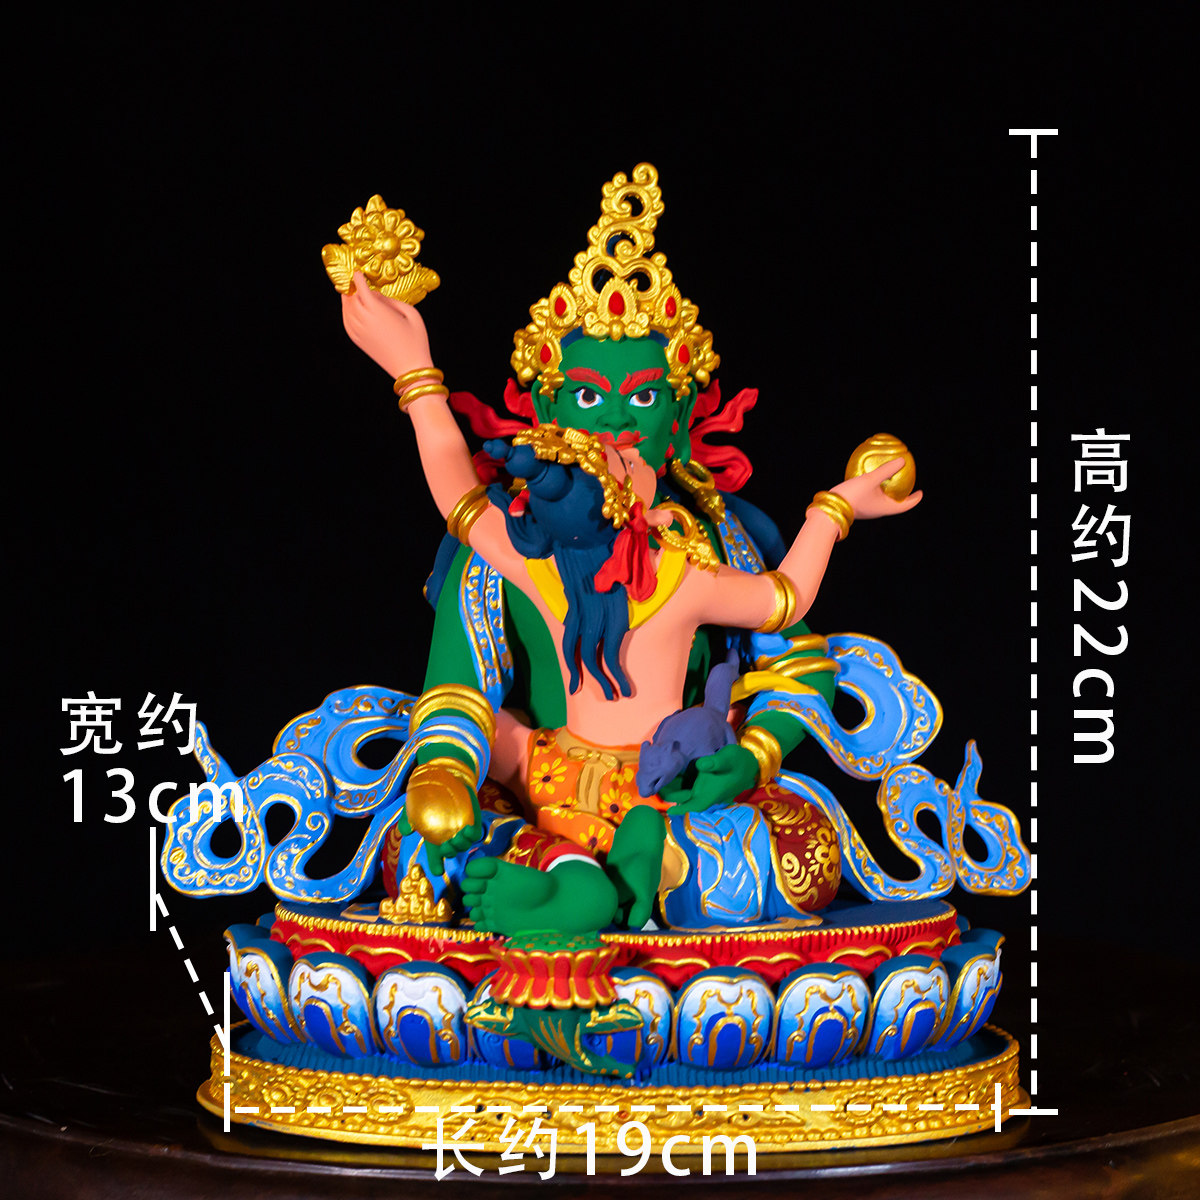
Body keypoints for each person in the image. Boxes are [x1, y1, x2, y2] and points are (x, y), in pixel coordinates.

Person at [341, 255, 920, 937]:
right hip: (565, 791)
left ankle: (569, 879)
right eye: (587, 399)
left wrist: (754, 755)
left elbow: (798, 657)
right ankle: (610, 879)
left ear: (681, 415)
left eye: (644, 399)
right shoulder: (661, 566)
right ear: (546, 411)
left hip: (658, 787)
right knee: (425, 837)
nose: (616, 424)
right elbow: (457, 696)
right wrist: (446, 774)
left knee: (801, 851)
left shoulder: (611, 550)